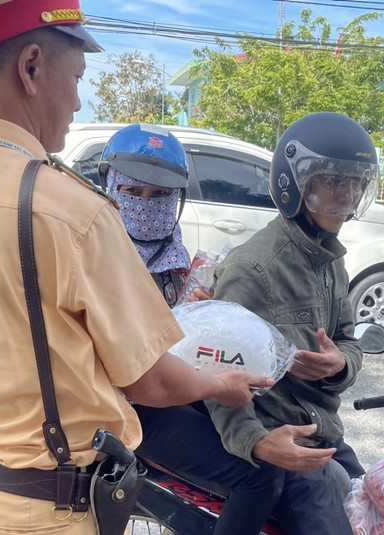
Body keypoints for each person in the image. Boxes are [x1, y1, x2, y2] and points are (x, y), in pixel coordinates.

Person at [0, 2, 269, 534]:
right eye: (78, 76)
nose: (78, 100)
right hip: (39, 510)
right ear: (32, 67)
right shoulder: (70, 212)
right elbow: (149, 380)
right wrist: (217, 384)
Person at [99, 123, 286, 534]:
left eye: (161, 195)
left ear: (179, 199)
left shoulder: (177, 257)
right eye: (133, 192)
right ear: (109, 188)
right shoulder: (98, 260)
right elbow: (137, 373)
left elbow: (180, 342)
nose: (147, 205)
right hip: (131, 406)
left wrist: (202, 316)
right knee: (261, 475)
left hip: (174, 387)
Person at [206, 112, 380, 535]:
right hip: (285, 442)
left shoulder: (329, 260)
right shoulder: (253, 268)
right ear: (295, 184)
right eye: (333, 181)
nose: (347, 195)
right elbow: (216, 370)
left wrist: (340, 365)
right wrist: (257, 442)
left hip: (326, 434)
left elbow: (347, 339)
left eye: (356, 183)